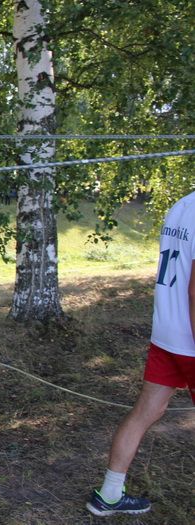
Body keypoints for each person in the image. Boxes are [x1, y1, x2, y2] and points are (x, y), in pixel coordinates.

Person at [86, 191, 195, 517]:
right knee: (146, 411)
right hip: (190, 339)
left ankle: (109, 494)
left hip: (166, 332)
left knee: (146, 411)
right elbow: (194, 292)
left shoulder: (182, 205)